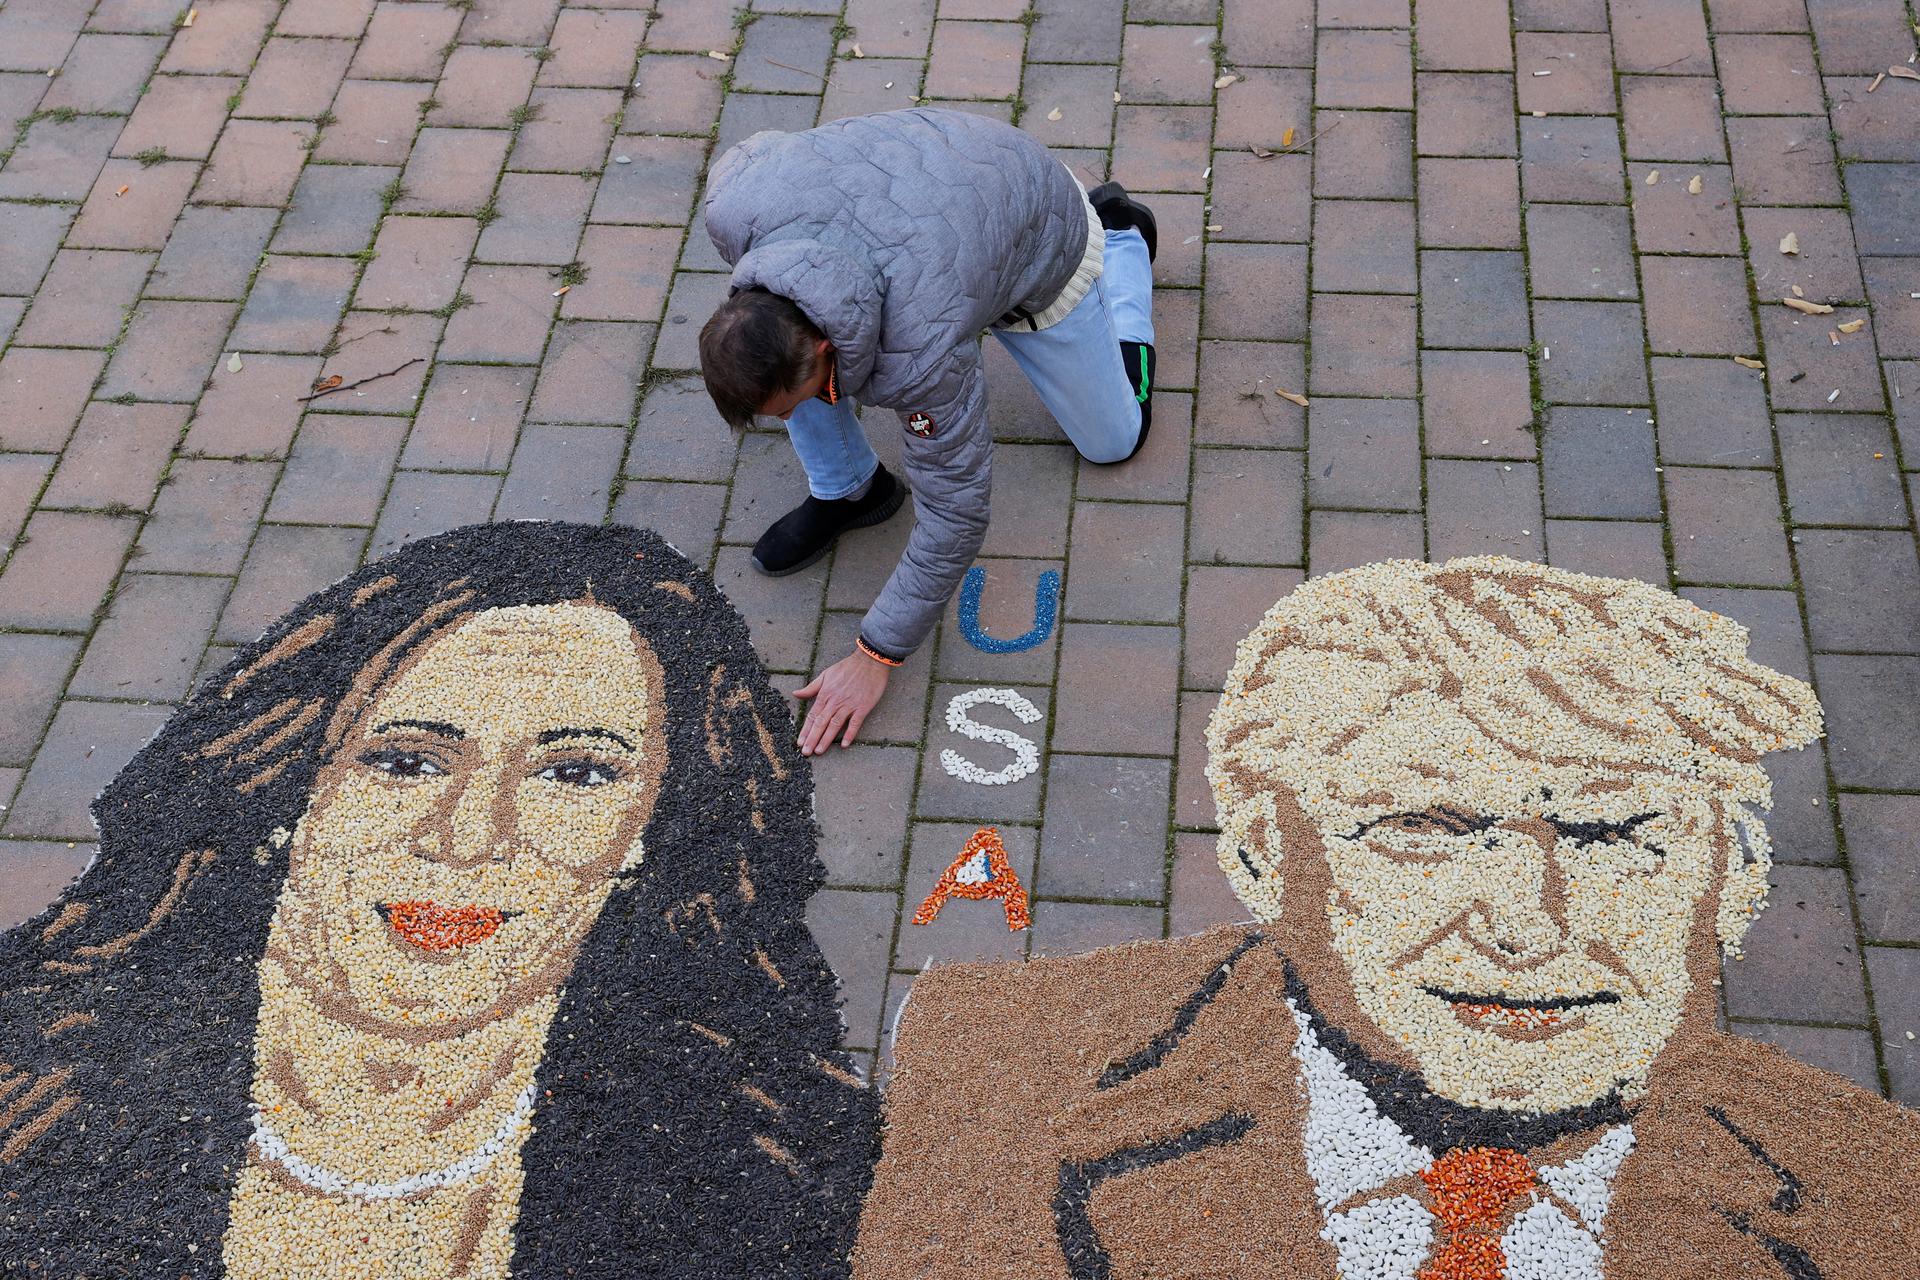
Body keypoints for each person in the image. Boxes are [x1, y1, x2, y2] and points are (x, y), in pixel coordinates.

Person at [852, 557, 1920, 1280]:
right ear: (1266, 851)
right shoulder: (989, 1061)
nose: (1525, 925)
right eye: (1424, 827)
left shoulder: (1879, 1191)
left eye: (1610, 836)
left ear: (1729, 878)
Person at [0, 522, 878, 1279]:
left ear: (649, 832)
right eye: (407, 761)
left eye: (572, 774)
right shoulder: (33, 1086)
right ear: (290, 792)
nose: (466, 839)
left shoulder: (759, 1163)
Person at [698, 107, 1158, 755]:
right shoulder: (733, 207)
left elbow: (957, 513)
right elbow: (763, 146)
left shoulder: (922, 353)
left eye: (787, 405)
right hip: (932, 191)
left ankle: (1124, 241)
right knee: (801, 387)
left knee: (1115, 439)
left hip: (1034, 226)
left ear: (828, 344)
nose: (784, 421)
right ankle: (853, 491)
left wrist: (874, 655)